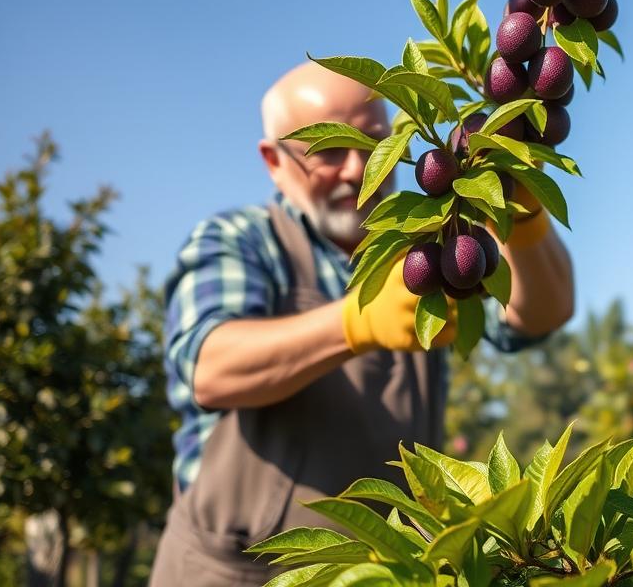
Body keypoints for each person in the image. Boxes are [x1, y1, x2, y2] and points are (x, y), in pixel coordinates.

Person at [150, 62, 574, 585]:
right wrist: (353, 323)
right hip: (236, 573)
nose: (356, 170)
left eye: (375, 144)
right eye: (328, 150)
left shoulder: (427, 239)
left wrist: (523, 218)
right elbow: (211, 368)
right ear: (275, 163)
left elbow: (538, 316)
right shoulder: (241, 239)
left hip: (382, 574)